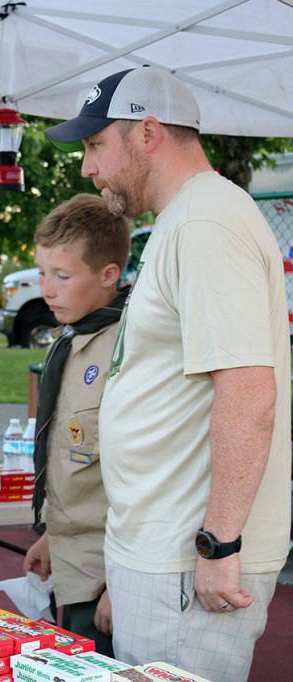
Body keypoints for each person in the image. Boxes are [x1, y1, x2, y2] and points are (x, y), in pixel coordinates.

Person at [46, 66, 291, 681]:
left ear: (148, 133)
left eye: (97, 145)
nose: (88, 168)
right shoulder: (187, 220)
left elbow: (248, 391)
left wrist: (219, 544)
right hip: (165, 551)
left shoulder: (207, 223)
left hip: (188, 558)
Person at [21, 194, 131, 656]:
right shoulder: (71, 339)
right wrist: (52, 534)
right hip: (74, 562)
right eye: (43, 273)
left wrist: (120, 585)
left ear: (108, 275)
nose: (47, 288)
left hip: (110, 574)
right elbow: (73, 464)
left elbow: (140, 476)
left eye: (62, 276)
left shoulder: (128, 350)